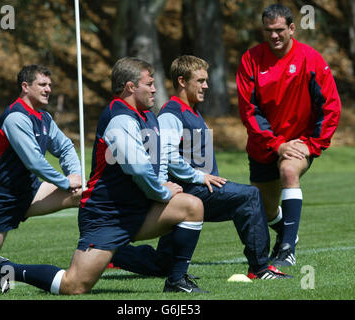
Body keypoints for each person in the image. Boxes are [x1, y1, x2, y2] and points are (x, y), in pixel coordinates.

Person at [0, 57, 208, 295]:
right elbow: (138, 168)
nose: (154, 89)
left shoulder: (148, 116)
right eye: (149, 84)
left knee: (192, 206)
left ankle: (176, 280)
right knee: (74, 286)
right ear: (130, 87)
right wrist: (162, 192)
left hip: (137, 208)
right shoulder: (120, 118)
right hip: (107, 215)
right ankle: (6, 269)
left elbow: (156, 161)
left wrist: (161, 182)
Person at [110, 55, 292, 280]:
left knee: (163, 265)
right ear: (182, 81)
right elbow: (167, 155)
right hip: (188, 191)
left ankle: (114, 252)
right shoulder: (170, 114)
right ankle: (260, 268)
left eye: (206, 80)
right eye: (200, 80)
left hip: (196, 188)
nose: (206, 85)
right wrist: (198, 176)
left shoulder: (192, 111)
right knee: (249, 196)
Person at [236, 4, 341, 266]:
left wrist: (313, 144)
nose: (274, 36)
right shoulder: (251, 59)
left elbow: (331, 106)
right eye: (268, 31)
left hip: (299, 144)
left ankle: (286, 251)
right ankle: (288, 233)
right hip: (264, 146)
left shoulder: (311, 59)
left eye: (279, 30)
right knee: (266, 209)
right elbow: (249, 110)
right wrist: (276, 144)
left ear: (292, 28)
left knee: (289, 172)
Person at [0, 65, 82, 272]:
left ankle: (103, 253)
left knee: (83, 194)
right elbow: (34, 162)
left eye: (50, 85)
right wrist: (64, 182)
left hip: (30, 191)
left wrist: (75, 174)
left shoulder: (44, 118)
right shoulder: (16, 117)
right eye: (42, 84)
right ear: (25, 86)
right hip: (1, 197)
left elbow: (65, 147)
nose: (48, 89)